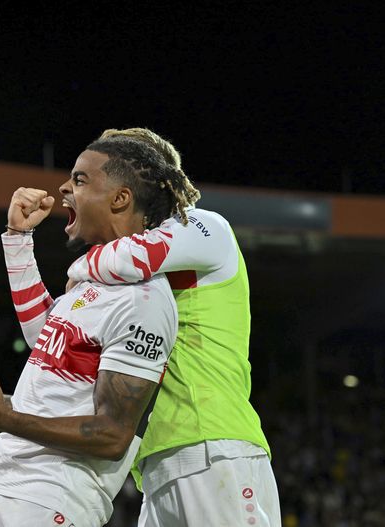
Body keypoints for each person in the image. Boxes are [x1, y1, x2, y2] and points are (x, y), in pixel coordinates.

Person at [0, 136, 188, 526]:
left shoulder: (142, 299)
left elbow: (111, 436)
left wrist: (0, 414)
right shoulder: (90, 285)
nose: (64, 188)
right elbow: (46, 360)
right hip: (10, 490)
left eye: (80, 180)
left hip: (51, 501)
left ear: (120, 199)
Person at [67, 127, 281, 526]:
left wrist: (79, 270)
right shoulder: (129, 276)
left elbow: (133, 258)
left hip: (210, 446)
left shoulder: (204, 226)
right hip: (157, 463)